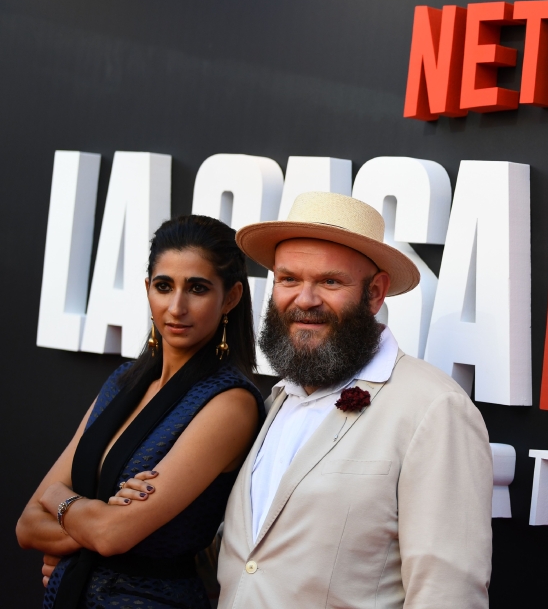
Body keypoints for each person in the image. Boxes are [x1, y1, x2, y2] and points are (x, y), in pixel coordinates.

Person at [218, 191, 493, 607]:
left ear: (375, 293)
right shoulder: (279, 399)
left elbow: (447, 593)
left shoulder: (434, 408)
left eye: (330, 281)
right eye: (289, 279)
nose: (304, 300)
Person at [16, 215, 265, 609]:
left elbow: (110, 535)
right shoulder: (122, 382)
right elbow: (27, 525)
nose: (177, 306)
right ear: (148, 288)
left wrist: (59, 499)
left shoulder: (230, 403)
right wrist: (94, 522)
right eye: (164, 286)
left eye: (197, 288)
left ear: (231, 297)